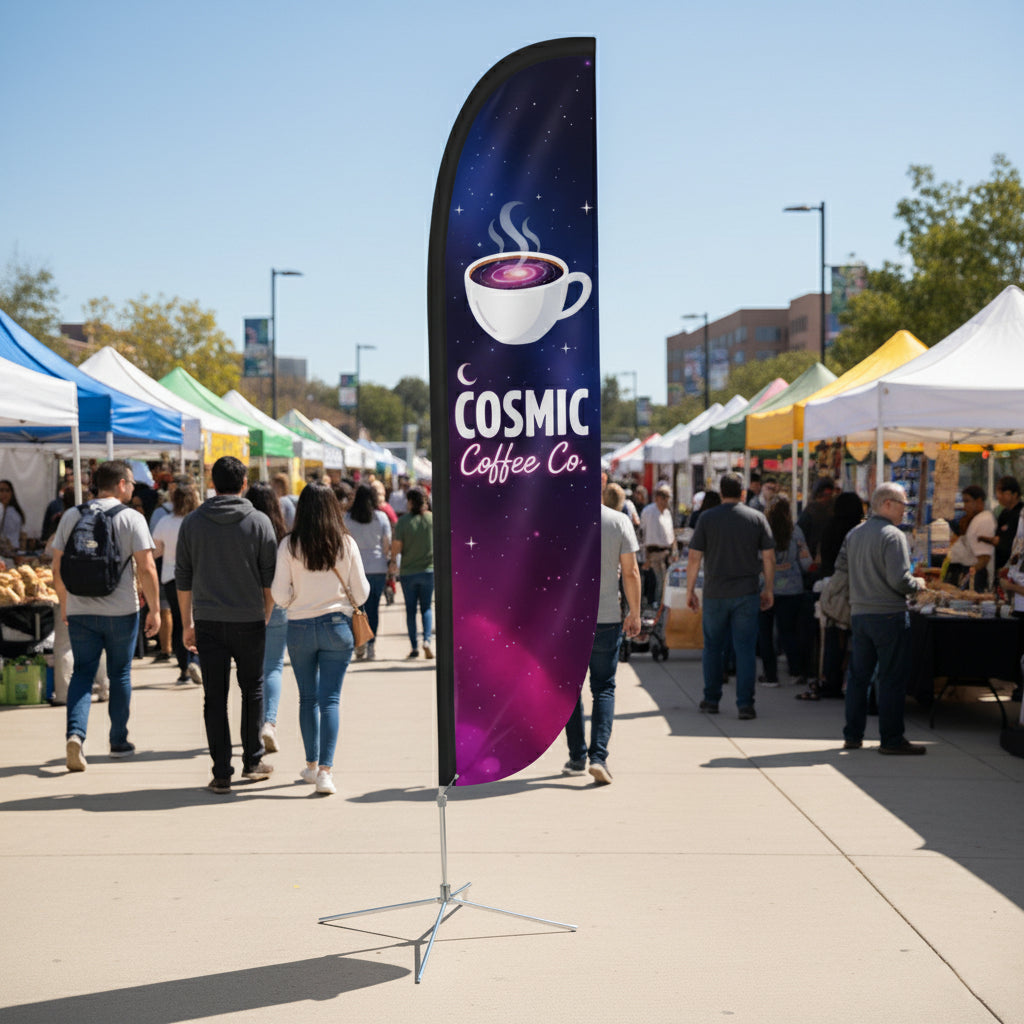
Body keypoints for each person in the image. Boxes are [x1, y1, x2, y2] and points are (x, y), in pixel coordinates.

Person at [176, 456, 278, 793]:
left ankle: (221, 771)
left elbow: (183, 578)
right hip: (249, 618)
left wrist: (186, 623)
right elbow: (270, 581)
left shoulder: (192, 523)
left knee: (214, 697)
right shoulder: (260, 521)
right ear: (244, 484)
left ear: (212, 484)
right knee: (253, 689)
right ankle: (252, 760)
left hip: (207, 620)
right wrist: (265, 615)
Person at [50, 460, 161, 770]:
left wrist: (65, 603)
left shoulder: (72, 515)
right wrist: (154, 610)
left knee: (83, 673)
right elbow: (148, 568)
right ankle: (118, 741)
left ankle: (76, 735)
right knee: (120, 673)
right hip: (122, 610)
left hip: (81, 608)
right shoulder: (132, 518)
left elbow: (56, 568)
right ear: (122, 485)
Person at [271, 482, 370, 795]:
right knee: (330, 699)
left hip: (299, 626)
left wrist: (294, 600)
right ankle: (326, 770)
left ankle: (311, 765)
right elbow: (363, 591)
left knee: (307, 698)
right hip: (337, 625)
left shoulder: (289, 545)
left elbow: (278, 593)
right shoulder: (345, 543)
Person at [836, 482, 927, 754]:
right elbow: (899, 580)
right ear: (887, 504)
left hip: (860, 614)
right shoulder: (892, 535)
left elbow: (841, 569)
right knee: (890, 679)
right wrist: (918, 584)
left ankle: (853, 735)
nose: (905, 512)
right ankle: (891, 739)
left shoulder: (855, 533)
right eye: (903, 505)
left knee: (858, 678)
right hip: (888, 614)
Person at [563, 485, 642, 784]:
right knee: (604, 688)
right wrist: (634, 612)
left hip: (569, 619)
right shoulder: (618, 520)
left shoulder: (562, 520)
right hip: (607, 616)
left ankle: (576, 755)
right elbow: (631, 571)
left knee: (570, 690)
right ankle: (599, 757)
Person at [686, 472, 775, 720]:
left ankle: (711, 699)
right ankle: (745, 704)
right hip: (746, 593)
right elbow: (768, 557)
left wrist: (690, 590)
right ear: (743, 493)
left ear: (722, 492)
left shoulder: (707, 518)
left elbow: (694, 557)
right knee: (745, 649)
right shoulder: (756, 518)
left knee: (712, 648)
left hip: (715, 593)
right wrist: (768, 588)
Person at [799, 491, 864, 701]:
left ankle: (830, 678)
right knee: (852, 638)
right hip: (850, 589)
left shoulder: (830, 527)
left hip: (830, 587)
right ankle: (846, 680)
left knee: (833, 636)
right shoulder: (856, 532)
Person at [246, 482, 290, 754]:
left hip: (245, 606)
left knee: (251, 670)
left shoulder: (242, 531)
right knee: (273, 666)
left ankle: (253, 724)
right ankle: (269, 723)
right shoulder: (282, 537)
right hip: (278, 606)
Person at [151, 483, 203, 685]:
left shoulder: (165, 522)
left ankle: (183, 668)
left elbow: (156, 551)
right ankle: (197, 660)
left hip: (172, 577)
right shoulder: (200, 521)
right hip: (198, 577)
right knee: (198, 621)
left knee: (181, 623)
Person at [758, 495, 812, 687]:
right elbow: (806, 563)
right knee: (789, 632)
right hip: (792, 589)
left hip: (767, 587)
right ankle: (796, 672)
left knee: (765, 633)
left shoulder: (762, 533)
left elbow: (757, 560)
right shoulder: (796, 532)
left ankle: (770, 675)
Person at [345, 483, 391, 661]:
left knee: (356, 608)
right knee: (373, 609)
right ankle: (371, 645)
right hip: (377, 568)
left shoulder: (347, 518)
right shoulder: (381, 517)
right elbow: (386, 543)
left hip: (355, 570)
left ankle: (359, 642)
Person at [391, 487, 434, 658]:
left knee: (410, 610)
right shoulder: (432, 519)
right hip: (429, 570)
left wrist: (393, 561)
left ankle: (414, 647)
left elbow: (397, 547)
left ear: (410, 502)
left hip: (408, 571)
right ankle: (427, 640)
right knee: (426, 608)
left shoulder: (403, 522)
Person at [946, 485, 996, 591]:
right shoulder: (976, 519)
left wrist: (969, 576)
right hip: (965, 570)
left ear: (978, 501)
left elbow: (984, 558)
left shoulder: (984, 520)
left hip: (976, 575)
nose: (964, 507)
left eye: (967, 501)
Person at [640, 484, 676, 607]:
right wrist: (646, 557)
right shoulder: (649, 511)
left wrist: (673, 552)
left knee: (664, 581)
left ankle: (662, 605)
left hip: (665, 552)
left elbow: (671, 534)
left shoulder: (667, 513)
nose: (668, 500)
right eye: (665, 497)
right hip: (653, 552)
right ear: (658, 498)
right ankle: (655, 605)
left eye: (669, 497)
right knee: (657, 581)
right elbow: (643, 533)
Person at [981, 476, 1024, 572]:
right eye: (998, 492)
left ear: (1014, 494)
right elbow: (998, 536)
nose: (998, 496)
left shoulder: (1021, 513)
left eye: (1002, 493)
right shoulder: (1004, 513)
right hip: (999, 566)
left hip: (1015, 568)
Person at [796, 476, 836, 568]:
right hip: (828, 560)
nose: (826, 499)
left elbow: (800, 535)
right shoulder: (834, 512)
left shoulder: (809, 511)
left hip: (812, 559)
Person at [0, 479, 26, 552]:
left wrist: (22, 550)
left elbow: (22, 533)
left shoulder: (15, 511)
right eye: (1, 490)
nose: (4, 494)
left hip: (14, 551)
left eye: (7, 490)